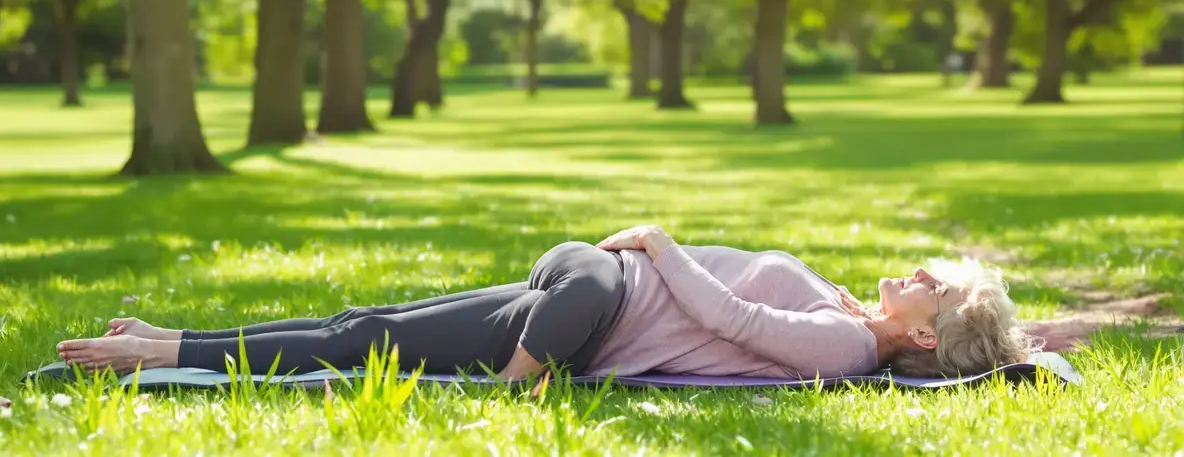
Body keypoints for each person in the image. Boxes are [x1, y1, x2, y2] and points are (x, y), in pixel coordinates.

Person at [57, 225, 1037, 381]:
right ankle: (172, 340)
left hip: (596, 309)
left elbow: (734, 322)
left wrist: (658, 241)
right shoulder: (850, 315)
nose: (919, 270)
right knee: (369, 325)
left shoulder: (847, 350)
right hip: (590, 284)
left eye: (935, 284)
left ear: (925, 334)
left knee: (367, 338)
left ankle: (164, 351)